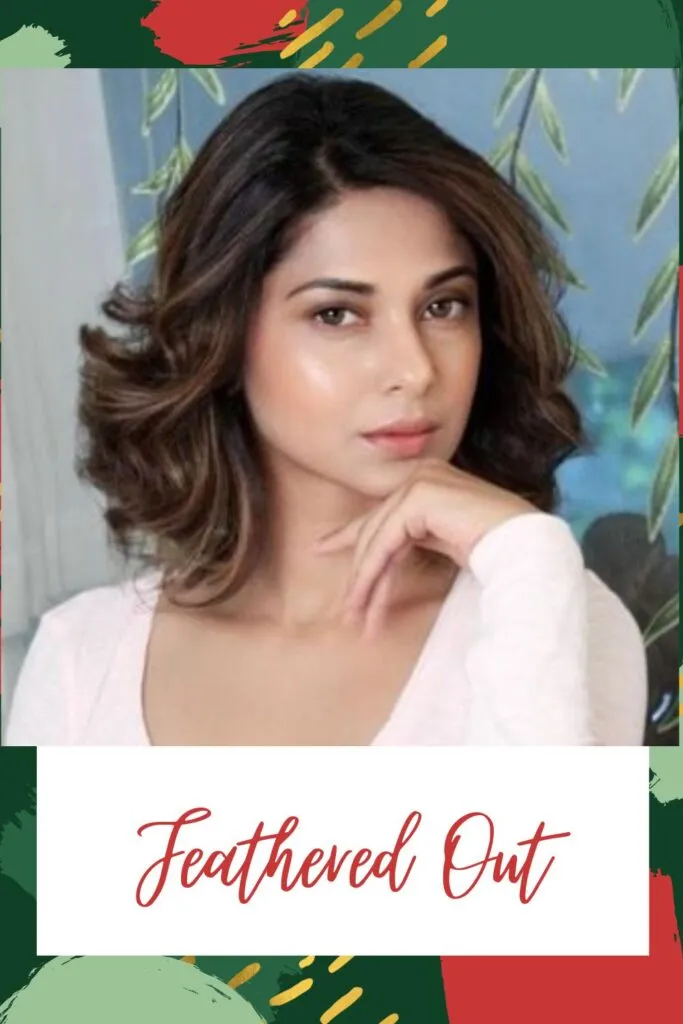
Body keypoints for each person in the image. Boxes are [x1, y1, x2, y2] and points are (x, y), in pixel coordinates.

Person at [4, 73, 647, 747]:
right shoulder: (82, 659)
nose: (414, 368)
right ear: (222, 334)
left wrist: (526, 555)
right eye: (336, 314)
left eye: (442, 306)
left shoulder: (551, 619)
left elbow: (546, 852)